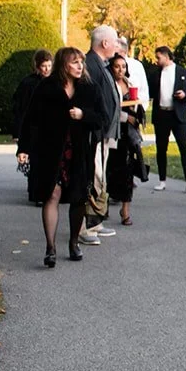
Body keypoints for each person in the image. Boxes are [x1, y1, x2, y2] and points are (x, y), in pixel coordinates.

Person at [17, 47, 102, 266]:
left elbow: (101, 118)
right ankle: (50, 248)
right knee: (51, 195)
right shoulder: (46, 87)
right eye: (74, 62)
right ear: (64, 64)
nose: (80, 66)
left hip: (79, 151)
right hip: (50, 151)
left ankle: (74, 242)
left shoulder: (88, 88)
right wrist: (23, 148)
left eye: (81, 62)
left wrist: (83, 115)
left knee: (78, 198)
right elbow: (30, 119)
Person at [81, 25, 123, 245]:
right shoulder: (91, 66)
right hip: (94, 134)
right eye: (114, 41)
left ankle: (94, 222)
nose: (117, 45)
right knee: (93, 178)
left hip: (102, 133)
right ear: (105, 43)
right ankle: (85, 226)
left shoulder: (101, 65)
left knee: (100, 178)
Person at [149, 45, 186, 192]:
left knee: (184, 147)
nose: (156, 60)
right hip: (162, 114)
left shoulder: (183, 72)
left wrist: (185, 95)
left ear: (166, 56)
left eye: (158, 57)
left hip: (178, 114)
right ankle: (162, 180)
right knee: (161, 148)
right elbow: (151, 92)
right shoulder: (155, 74)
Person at [105, 53, 145, 226]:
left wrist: (137, 117)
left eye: (123, 66)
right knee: (110, 171)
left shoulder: (130, 84)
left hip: (129, 136)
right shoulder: (108, 85)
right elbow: (108, 108)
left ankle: (125, 210)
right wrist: (124, 117)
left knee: (128, 171)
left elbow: (137, 106)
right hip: (114, 134)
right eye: (117, 66)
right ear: (111, 68)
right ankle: (103, 204)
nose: (121, 70)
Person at [12, 50, 54, 203]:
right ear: (37, 66)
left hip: (49, 127)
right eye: (44, 66)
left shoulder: (54, 82)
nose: (47, 69)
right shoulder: (29, 83)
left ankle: (46, 191)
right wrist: (18, 132)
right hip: (34, 127)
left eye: (49, 65)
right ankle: (37, 192)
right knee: (36, 162)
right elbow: (20, 109)